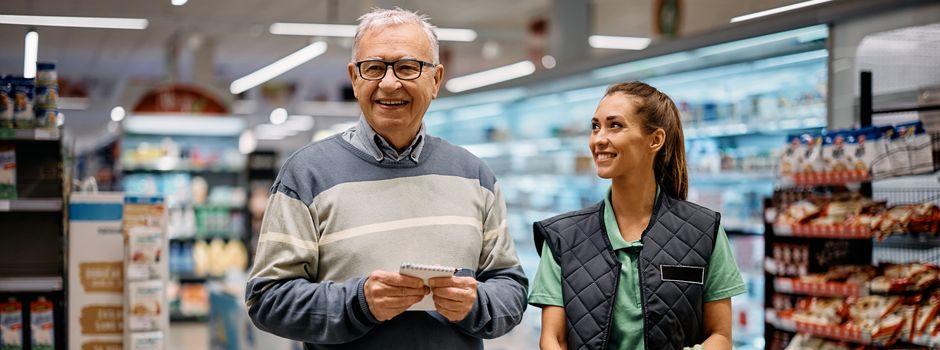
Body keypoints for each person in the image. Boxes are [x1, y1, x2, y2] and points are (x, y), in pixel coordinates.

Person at [245, 8, 528, 350]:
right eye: (374, 67)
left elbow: (511, 288)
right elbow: (267, 299)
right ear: (354, 78)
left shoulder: (475, 176)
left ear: (436, 79)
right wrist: (359, 302)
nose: (389, 83)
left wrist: (475, 303)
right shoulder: (306, 174)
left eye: (408, 67)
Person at [529, 82, 746, 350]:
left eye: (615, 125)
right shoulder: (563, 237)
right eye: (595, 126)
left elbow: (721, 335)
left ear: (655, 139)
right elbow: (553, 339)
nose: (598, 139)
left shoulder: (704, 231)